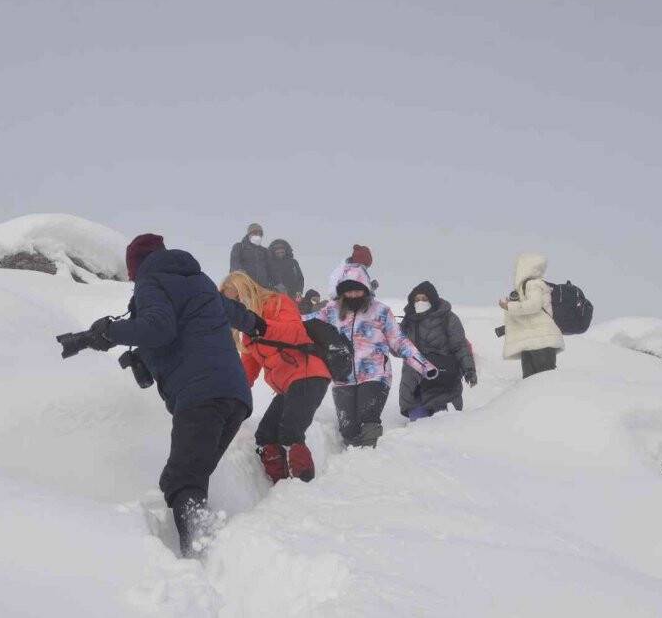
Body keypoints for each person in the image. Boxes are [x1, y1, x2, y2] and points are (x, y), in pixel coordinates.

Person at [83, 233, 253, 558]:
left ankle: (201, 553)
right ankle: (209, 548)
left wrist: (109, 331)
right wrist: (258, 325)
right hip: (235, 397)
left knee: (180, 479)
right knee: (190, 476)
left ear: (137, 267)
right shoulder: (199, 281)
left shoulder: (152, 283)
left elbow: (158, 328)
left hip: (200, 396)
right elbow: (233, 312)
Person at [306, 265, 437, 447]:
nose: (353, 295)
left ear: (366, 290)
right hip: (343, 377)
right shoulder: (330, 311)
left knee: (368, 418)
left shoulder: (380, 311)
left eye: (357, 290)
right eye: (348, 291)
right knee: (348, 429)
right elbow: (300, 324)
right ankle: (354, 461)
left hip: (375, 374)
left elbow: (399, 341)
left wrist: (425, 366)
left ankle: (369, 456)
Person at [221, 272, 331, 483]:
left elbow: (295, 331)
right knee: (265, 436)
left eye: (238, 297)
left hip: (308, 374)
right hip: (287, 385)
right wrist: (229, 398)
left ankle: (303, 485)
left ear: (249, 290)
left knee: (291, 431)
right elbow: (247, 371)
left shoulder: (277, 303)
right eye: (230, 302)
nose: (235, 305)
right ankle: (280, 484)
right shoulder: (247, 334)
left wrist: (260, 326)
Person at [399, 281, 477, 420]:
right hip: (416, 387)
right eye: (416, 300)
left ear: (433, 300)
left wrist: (469, 370)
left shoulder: (448, 318)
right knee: (418, 430)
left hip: (443, 382)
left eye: (424, 299)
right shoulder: (408, 322)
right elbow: (398, 348)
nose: (420, 302)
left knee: (444, 428)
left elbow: (460, 346)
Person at [499, 253, 565, 378]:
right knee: (531, 383)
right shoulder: (529, 286)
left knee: (543, 381)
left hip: (541, 341)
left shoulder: (532, 284)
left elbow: (534, 305)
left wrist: (509, 306)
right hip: (534, 341)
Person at [230, 223, 273, 288]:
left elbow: (271, 269)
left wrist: (278, 284)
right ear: (249, 234)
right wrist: (239, 271)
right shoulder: (239, 247)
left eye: (260, 234)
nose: (258, 235)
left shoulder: (265, 251)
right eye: (255, 233)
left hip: (262, 288)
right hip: (245, 286)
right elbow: (234, 262)